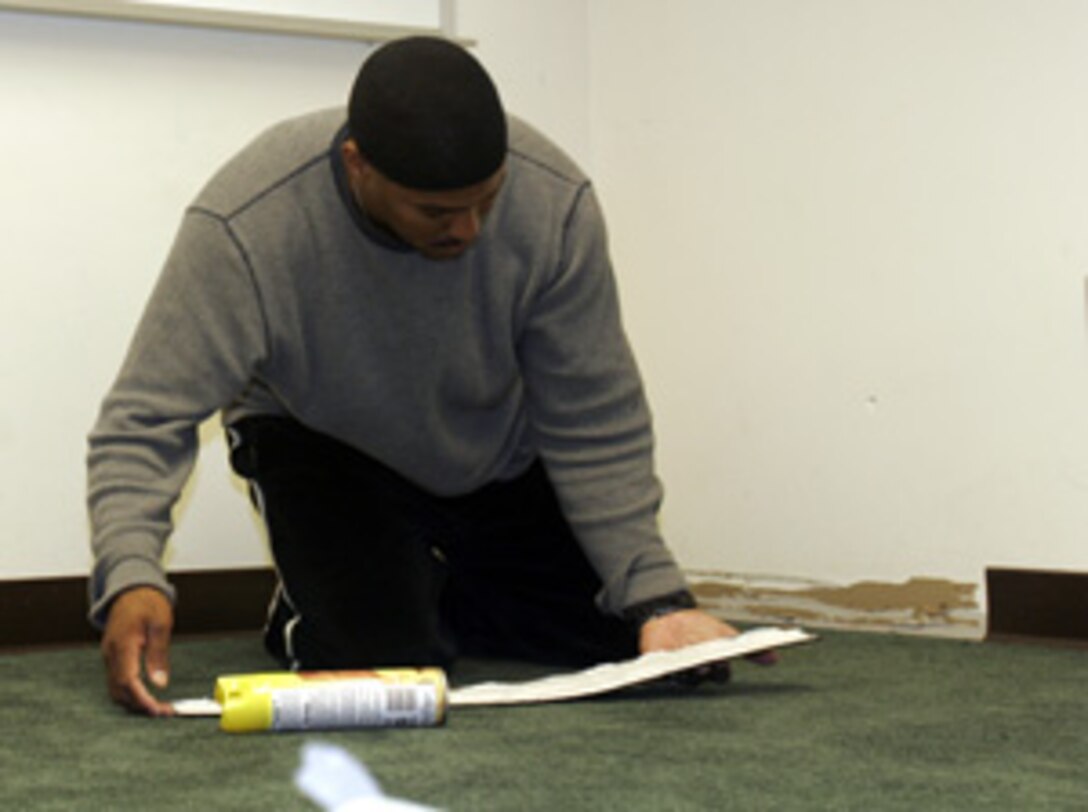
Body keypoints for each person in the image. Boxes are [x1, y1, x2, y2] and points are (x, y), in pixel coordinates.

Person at [88, 36, 762, 717]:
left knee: (634, 645)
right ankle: (329, 604)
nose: (467, 229)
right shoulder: (248, 223)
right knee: (383, 665)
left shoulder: (555, 202)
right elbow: (146, 419)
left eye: (486, 201)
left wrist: (656, 598)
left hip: (494, 454)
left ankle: (441, 588)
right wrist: (131, 574)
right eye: (437, 212)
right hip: (327, 450)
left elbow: (594, 417)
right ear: (358, 166)